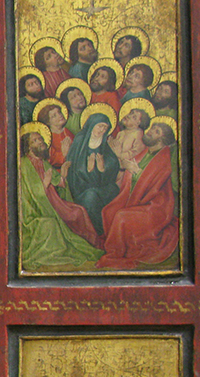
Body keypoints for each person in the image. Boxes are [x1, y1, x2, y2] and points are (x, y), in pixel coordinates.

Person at [96, 121, 180, 269]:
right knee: (109, 211)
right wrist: (122, 161)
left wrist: (135, 171)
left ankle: (115, 253)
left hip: (155, 208)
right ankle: (117, 246)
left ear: (162, 140)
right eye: (152, 127)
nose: (150, 131)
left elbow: (153, 186)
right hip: (139, 201)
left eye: (156, 131)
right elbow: (129, 174)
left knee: (121, 216)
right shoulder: (145, 153)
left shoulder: (164, 158)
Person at [18, 128, 103, 269]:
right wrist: (45, 184)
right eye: (35, 140)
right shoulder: (24, 164)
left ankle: (92, 244)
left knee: (79, 211)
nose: (40, 142)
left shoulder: (43, 162)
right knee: (70, 216)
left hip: (54, 203)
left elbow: (58, 182)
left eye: (40, 139)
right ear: (28, 147)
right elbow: (29, 195)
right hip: (39, 208)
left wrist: (63, 175)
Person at [62, 108, 120, 239]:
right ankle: (98, 233)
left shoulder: (104, 143)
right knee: (91, 196)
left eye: (105, 128)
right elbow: (72, 167)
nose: (102, 130)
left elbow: (113, 165)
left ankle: (110, 231)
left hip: (102, 185)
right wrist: (88, 169)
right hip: (81, 188)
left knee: (113, 190)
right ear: (92, 124)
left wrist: (102, 168)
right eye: (100, 126)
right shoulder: (80, 140)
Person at [35, 101, 73, 169]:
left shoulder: (67, 131)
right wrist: (64, 154)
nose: (60, 115)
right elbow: (50, 160)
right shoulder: (48, 137)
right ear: (48, 122)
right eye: (54, 116)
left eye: (59, 112)